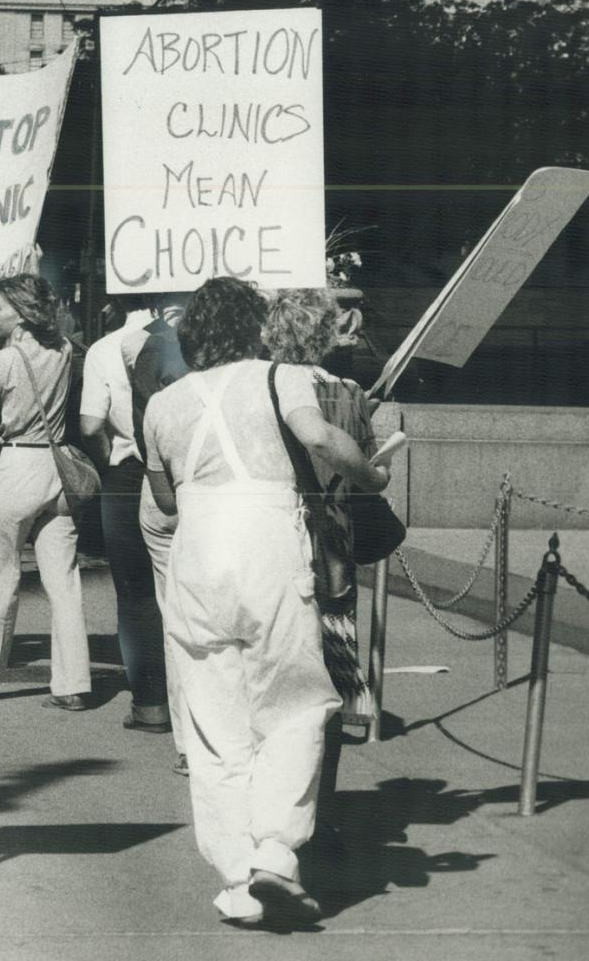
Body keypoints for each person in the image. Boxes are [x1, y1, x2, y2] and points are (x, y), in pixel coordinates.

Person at [140, 277, 388, 928]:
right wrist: (372, 473)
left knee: (216, 725)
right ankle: (277, 849)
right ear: (257, 327)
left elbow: (165, 500)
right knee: (298, 702)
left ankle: (238, 878)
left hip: (196, 556)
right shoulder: (280, 377)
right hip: (268, 547)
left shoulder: (162, 403)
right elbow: (322, 440)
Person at [262, 288, 378, 840]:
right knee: (332, 663)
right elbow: (365, 456)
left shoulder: (265, 387)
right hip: (336, 540)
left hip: (282, 538)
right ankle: (321, 804)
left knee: (276, 668)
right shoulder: (350, 392)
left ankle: (272, 796)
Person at [0, 275, 88, 705]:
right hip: (60, 466)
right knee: (63, 581)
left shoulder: (1, 361)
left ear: (22, 314)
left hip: (18, 467)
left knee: (0, 575)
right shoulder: (63, 350)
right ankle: (74, 683)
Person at [79, 297, 169, 732]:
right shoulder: (186, 342)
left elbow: (91, 425)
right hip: (184, 471)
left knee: (135, 592)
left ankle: (151, 701)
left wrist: (109, 459)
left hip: (128, 472)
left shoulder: (103, 349)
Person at [129, 293, 193, 775]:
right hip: (209, 493)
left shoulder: (152, 349)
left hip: (169, 487)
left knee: (179, 619)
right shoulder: (245, 359)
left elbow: (146, 431)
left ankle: (191, 740)